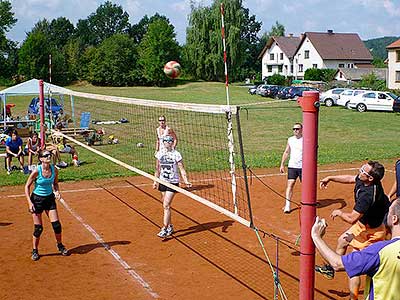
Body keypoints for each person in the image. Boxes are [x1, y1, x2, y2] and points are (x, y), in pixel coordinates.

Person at [316, 161, 390, 300]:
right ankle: (332, 269)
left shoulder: (367, 196)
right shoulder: (364, 179)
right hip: (363, 226)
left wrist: (339, 212)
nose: (359, 171)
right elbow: (351, 178)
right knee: (342, 241)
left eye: (363, 171)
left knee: (354, 266)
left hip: (372, 233)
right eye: (362, 168)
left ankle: (353, 297)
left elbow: (351, 218)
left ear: (370, 179)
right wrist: (330, 178)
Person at [311, 198, 400, 300]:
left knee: (354, 260)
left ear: (394, 219)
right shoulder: (377, 193)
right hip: (360, 231)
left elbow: (337, 263)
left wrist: (316, 236)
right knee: (343, 241)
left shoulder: (379, 251)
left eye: (389, 211)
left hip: (367, 234)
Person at [24, 149, 69, 261]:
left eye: (49, 155)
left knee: (57, 225)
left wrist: (57, 191)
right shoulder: (36, 171)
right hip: (37, 200)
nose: (49, 156)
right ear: (41, 159)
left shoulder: (54, 170)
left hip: (49, 199)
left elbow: (55, 183)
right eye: (46, 155)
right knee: (38, 228)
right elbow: (26, 187)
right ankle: (35, 250)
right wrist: (30, 203)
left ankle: (60, 245)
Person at [153, 135, 191, 238]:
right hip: (162, 181)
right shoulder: (159, 154)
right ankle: (170, 226)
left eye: (170, 141)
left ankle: (164, 228)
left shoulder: (176, 154)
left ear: (172, 142)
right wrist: (155, 181)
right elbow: (157, 168)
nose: (168, 142)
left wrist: (186, 181)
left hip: (173, 182)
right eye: (166, 141)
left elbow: (182, 169)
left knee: (166, 205)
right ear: (163, 142)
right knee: (165, 206)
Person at [279, 122, 303, 213]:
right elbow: (286, 152)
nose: (295, 131)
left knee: (305, 186)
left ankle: (307, 203)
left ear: (301, 130)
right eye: (294, 129)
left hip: (303, 167)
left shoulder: (306, 139)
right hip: (292, 166)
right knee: (290, 184)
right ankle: (287, 205)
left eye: (297, 129)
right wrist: (282, 164)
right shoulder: (290, 140)